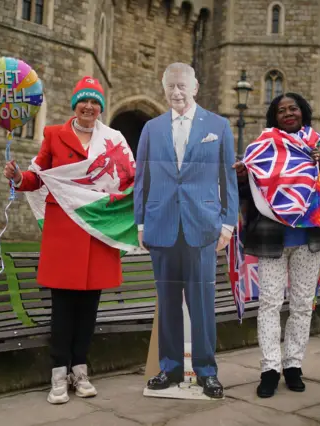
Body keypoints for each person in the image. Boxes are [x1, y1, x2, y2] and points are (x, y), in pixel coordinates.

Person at [4, 77, 133, 404]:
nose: (88, 107)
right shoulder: (54, 135)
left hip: (98, 231)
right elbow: (37, 178)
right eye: (83, 101)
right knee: (62, 308)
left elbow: (130, 179)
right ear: (74, 104)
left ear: (100, 107)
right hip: (64, 230)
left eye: (94, 102)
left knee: (89, 309)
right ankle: (58, 375)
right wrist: (19, 178)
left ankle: (80, 369)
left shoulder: (114, 141)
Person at [233, 92, 320, 398]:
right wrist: (243, 176)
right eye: (281, 110)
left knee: (301, 305)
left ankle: (294, 365)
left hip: (310, 237)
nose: (287, 113)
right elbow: (249, 190)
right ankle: (269, 369)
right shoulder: (261, 146)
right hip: (271, 237)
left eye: (293, 108)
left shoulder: (318, 145)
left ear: (302, 112)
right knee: (269, 304)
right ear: (274, 116)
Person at [134, 63, 239, 399]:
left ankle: (207, 372)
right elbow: (142, 181)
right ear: (164, 89)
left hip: (203, 226)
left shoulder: (219, 126)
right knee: (166, 303)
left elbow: (229, 180)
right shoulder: (151, 128)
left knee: (203, 304)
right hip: (161, 224)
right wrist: (140, 222)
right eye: (170, 87)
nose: (176, 93)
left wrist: (227, 224)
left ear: (195, 87)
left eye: (182, 86)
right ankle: (170, 368)